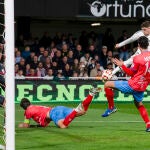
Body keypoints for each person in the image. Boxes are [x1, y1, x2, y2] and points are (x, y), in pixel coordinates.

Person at [102, 20, 150, 117]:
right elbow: (130, 39)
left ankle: (112, 106)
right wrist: (120, 45)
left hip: (143, 63)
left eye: (145, 30)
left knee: (126, 67)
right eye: (143, 30)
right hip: (141, 60)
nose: (143, 32)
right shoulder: (140, 34)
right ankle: (113, 72)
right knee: (126, 63)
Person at [18, 87, 101, 129]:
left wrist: (22, 125)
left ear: (23, 107)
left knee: (63, 126)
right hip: (58, 109)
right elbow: (43, 123)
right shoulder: (35, 106)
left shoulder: (28, 111)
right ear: (29, 102)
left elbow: (26, 124)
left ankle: (75, 110)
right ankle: (91, 94)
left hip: (54, 113)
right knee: (83, 111)